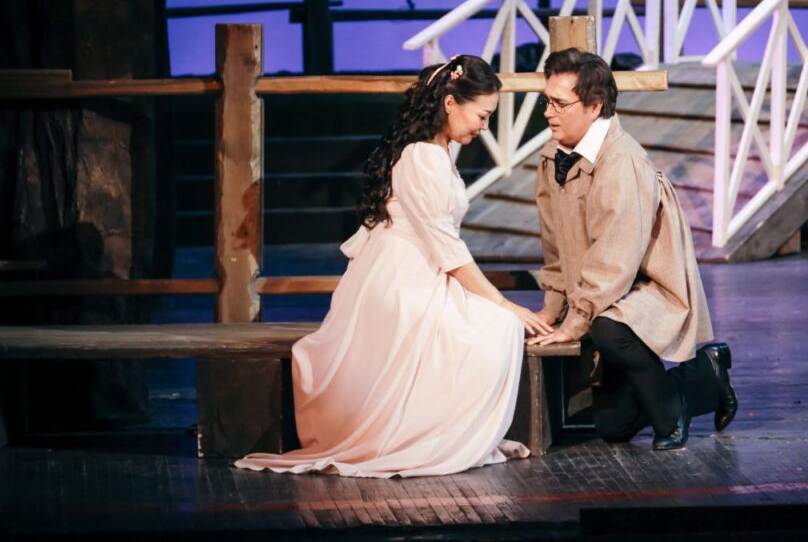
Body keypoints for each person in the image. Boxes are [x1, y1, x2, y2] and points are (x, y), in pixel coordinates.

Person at [235, 55, 552, 478]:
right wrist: (503, 302)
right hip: (403, 278)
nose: (485, 126)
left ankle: (447, 431)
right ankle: (431, 435)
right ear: (451, 103)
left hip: (418, 269)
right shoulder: (422, 156)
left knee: (486, 326)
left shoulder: (437, 152)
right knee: (497, 323)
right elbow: (445, 245)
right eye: (482, 115)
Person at [526, 48, 738, 450]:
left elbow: (615, 262)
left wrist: (576, 320)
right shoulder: (553, 155)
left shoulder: (622, 163)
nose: (549, 113)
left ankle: (670, 412)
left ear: (594, 107)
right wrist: (553, 309)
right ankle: (707, 374)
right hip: (605, 293)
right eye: (547, 102)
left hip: (645, 287)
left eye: (559, 104)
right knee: (613, 426)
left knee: (608, 328)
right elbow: (555, 244)